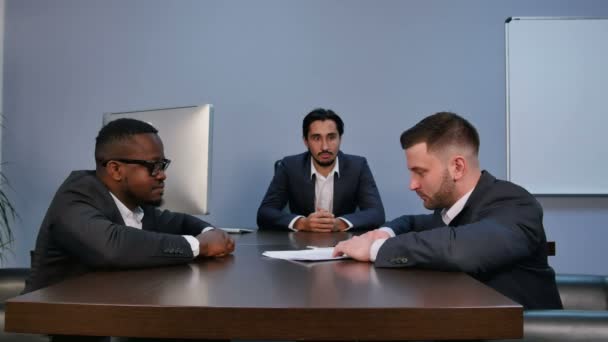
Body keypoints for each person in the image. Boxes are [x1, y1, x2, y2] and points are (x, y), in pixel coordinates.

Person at [333, 112, 562, 310]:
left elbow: (461, 249)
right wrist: (385, 232)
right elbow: (411, 223)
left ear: (457, 167)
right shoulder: (451, 210)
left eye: (420, 172)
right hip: (464, 321)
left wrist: (375, 249)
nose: (412, 184)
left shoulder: (516, 203)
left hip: (520, 330)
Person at [25, 118, 235, 296]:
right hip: (54, 324)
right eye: (153, 166)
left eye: (163, 165)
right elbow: (111, 246)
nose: (162, 175)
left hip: (111, 311)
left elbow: (180, 222)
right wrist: (199, 246)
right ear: (116, 169)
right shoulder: (75, 196)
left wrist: (210, 232)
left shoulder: (135, 205)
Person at [257, 108, 385, 232]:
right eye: (316, 138)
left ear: (340, 138)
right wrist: (302, 223)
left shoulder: (357, 166)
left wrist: (339, 223)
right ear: (306, 141)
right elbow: (265, 213)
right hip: (300, 245)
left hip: (343, 244)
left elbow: (376, 213)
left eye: (331, 137)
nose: (325, 146)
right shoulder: (289, 166)